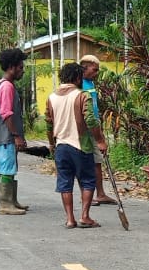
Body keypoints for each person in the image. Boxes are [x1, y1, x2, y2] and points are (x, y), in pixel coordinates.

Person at [46, 62, 100, 229]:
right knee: (88, 180)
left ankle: (70, 219)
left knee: (65, 182)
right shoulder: (82, 95)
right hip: (80, 145)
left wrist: (51, 143)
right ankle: (85, 216)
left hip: (61, 146)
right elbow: (91, 120)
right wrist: (101, 140)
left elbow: (48, 123)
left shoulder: (51, 97)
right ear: (78, 77)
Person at [0, 48, 29, 215]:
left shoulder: (6, 85)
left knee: (10, 168)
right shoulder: (6, 87)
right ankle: (6, 204)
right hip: (7, 137)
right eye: (21, 67)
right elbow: (6, 113)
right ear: (12, 67)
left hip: (8, 136)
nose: (22, 71)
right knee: (7, 168)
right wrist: (16, 136)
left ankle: (12, 200)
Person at [78, 54, 117, 205]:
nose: (97, 73)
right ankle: (85, 195)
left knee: (97, 160)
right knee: (83, 161)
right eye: (94, 70)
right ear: (84, 68)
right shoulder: (79, 84)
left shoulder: (90, 84)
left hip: (94, 127)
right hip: (84, 129)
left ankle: (100, 193)